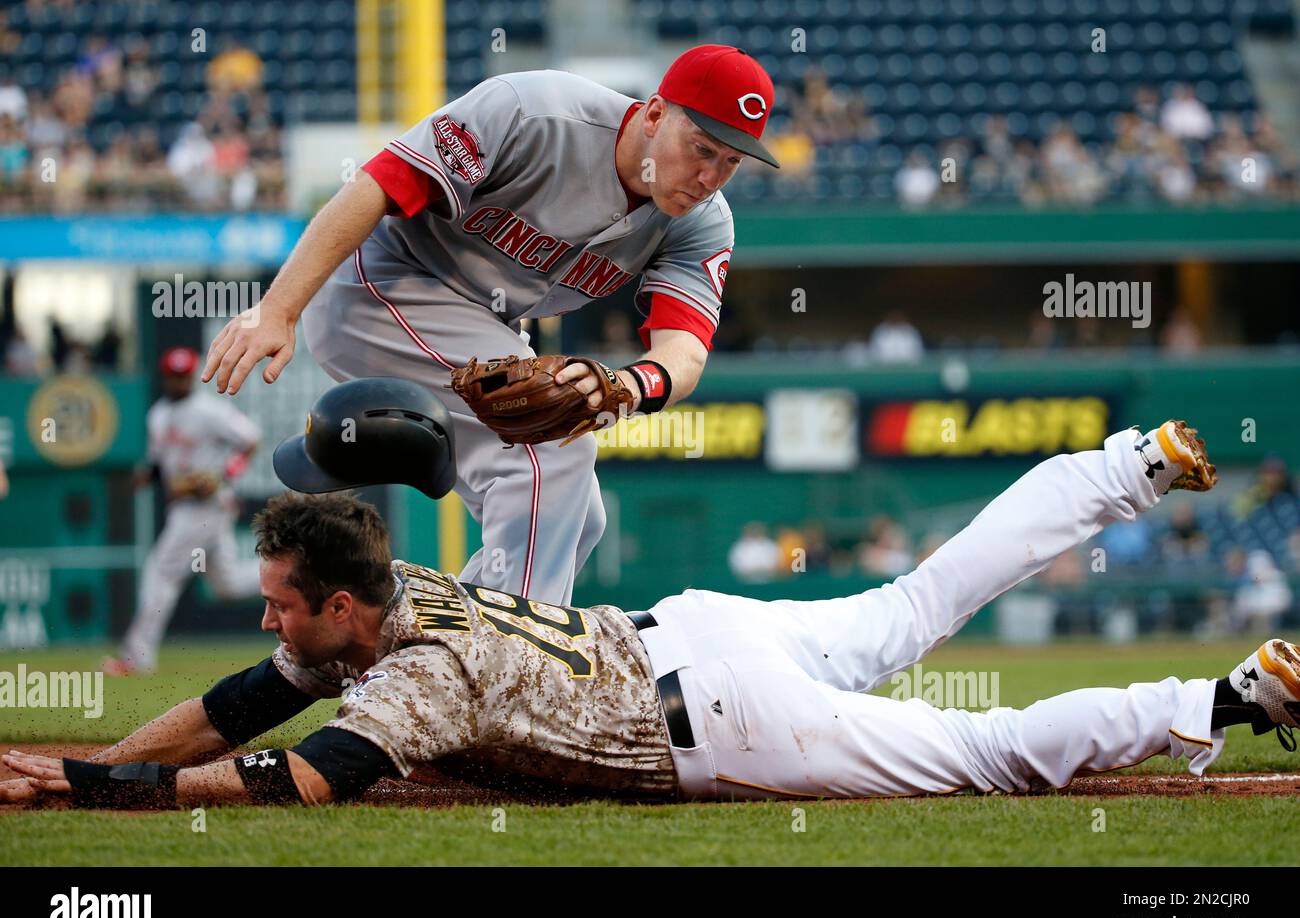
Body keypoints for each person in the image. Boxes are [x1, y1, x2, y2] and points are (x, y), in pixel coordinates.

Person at [7, 417, 1298, 810]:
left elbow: (285, 778)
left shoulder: (419, 674)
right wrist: (92, 755)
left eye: (286, 606)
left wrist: (81, 792)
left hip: (724, 712)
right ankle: (1127, 465)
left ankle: (1231, 698)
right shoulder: (401, 596)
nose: (273, 626)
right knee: (924, 597)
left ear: (342, 603)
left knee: (987, 757)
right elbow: (241, 704)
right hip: (695, 632)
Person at [201, 45, 780, 607]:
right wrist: (279, 308)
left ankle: (436, 645)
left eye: (730, 162)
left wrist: (630, 385)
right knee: (550, 457)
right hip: (382, 285)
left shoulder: (701, 221)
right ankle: (505, 683)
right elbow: (375, 186)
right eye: (701, 148)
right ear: (654, 113)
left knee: (577, 518)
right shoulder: (536, 110)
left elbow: (685, 353)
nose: (710, 176)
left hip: (483, 322)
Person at [103, 347, 262, 676]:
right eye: (173, 375)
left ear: (192, 375)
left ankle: (136, 658)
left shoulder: (209, 410)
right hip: (187, 504)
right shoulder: (158, 415)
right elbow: (161, 464)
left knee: (160, 574)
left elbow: (250, 439)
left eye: (184, 374)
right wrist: (147, 477)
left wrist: (224, 474)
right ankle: (295, 572)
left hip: (203, 506)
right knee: (227, 584)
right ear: (165, 376)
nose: (179, 380)